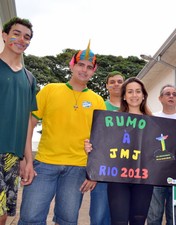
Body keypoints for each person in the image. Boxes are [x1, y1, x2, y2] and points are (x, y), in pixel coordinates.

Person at [17, 43, 106, 225]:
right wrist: (25, 160)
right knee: (30, 218)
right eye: (81, 64)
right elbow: (29, 125)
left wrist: (93, 173)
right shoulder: (50, 89)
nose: (84, 70)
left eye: (90, 67)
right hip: (44, 165)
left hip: (78, 169)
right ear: (71, 65)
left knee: (67, 220)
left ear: (94, 71)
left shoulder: (98, 101)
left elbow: (102, 140)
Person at [85, 77, 176, 225]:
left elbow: (162, 151)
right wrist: (91, 148)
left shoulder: (155, 123)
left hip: (144, 181)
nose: (134, 95)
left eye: (138, 91)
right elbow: (102, 146)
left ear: (143, 95)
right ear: (124, 96)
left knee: (138, 220)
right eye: (130, 92)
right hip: (117, 179)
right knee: (118, 220)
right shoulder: (111, 120)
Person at [0, 17, 37, 225]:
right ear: (5, 36)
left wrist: (27, 159)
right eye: (16, 33)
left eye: (27, 37)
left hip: (12, 157)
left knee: (4, 214)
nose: (21, 39)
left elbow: (27, 122)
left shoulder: (30, 79)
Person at [147, 84, 176, 225]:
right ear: (160, 98)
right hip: (156, 174)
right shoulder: (152, 118)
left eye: (174, 94)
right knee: (154, 216)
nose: (171, 96)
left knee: (175, 217)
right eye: (167, 94)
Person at [90, 71, 125, 225]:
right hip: (103, 167)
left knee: (119, 214)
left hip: (125, 168)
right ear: (107, 86)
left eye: (119, 81)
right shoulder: (100, 106)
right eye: (112, 82)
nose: (116, 84)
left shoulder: (132, 107)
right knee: (99, 213)